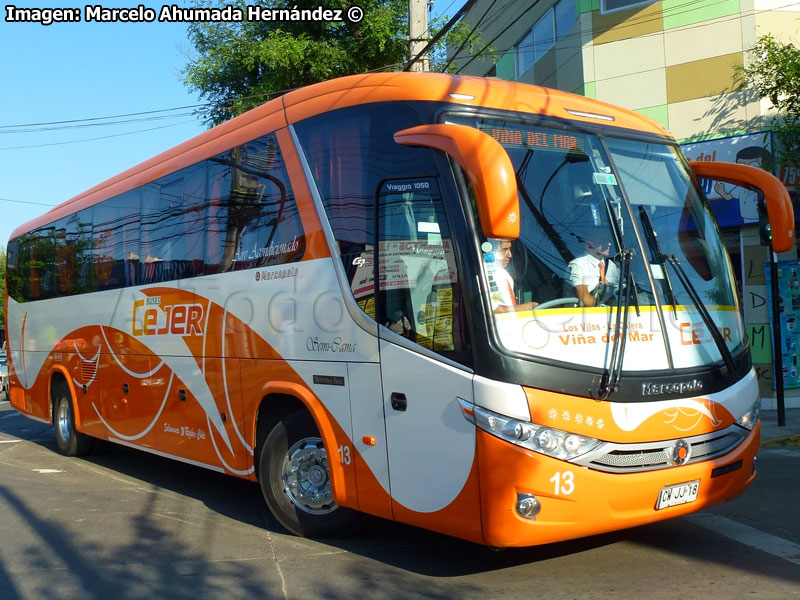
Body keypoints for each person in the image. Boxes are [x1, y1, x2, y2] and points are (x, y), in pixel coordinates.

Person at [568, 230, 619, 307]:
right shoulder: (579, 264)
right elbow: (584, 298)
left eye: (609, 241)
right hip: (585, 315)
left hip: (613, 314)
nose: (609, 244)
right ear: (590, 244)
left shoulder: (612, 266)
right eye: (604, 241)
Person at [489, 239, 539, 314]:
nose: (510, 255)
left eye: (510, 249)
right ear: (492, 249)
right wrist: (525, 307)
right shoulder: (484, 274)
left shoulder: (504, 273)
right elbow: (493, 310)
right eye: (504, 249)